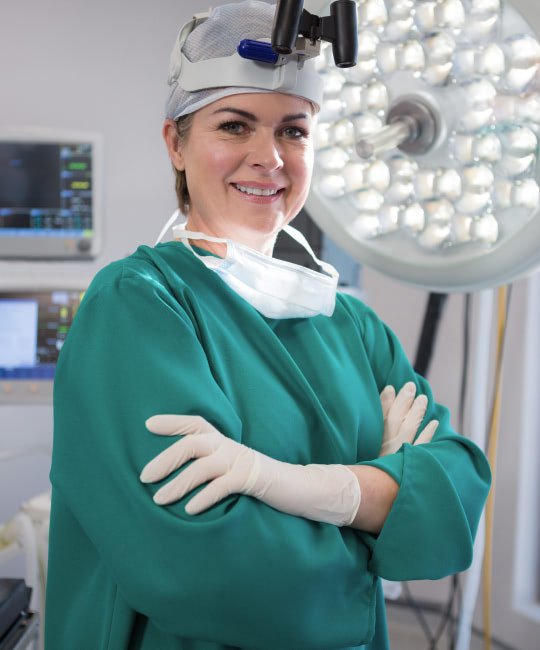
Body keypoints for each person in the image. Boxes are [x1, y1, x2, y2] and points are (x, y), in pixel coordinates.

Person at [45, 2, 491, 649]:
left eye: (293, 131)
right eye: (235, 125)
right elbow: (207, 572)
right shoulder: (138, 306)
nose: (270, 158)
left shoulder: (350, 324)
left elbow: (457, 492)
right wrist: (381, 516)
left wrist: (297, 488)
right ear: (175, 143)